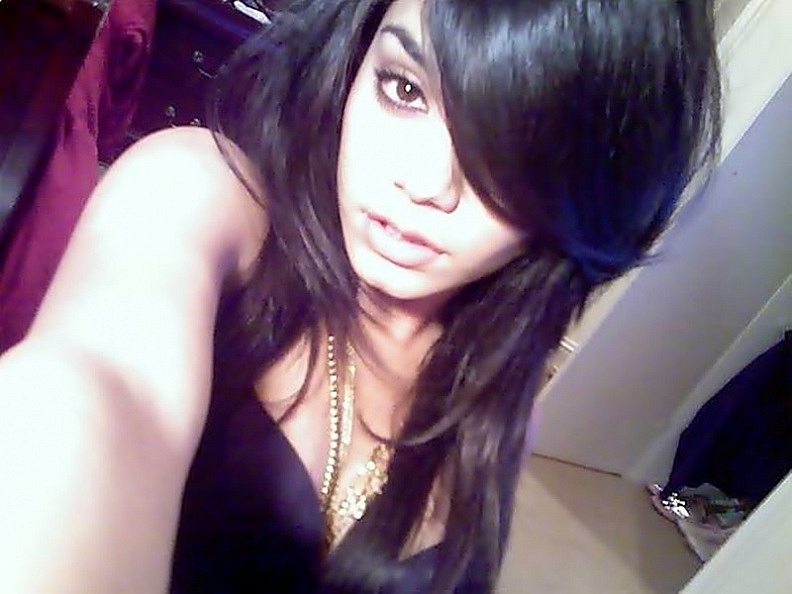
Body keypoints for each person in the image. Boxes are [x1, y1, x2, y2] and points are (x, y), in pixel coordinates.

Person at [0, 0, 721, 592]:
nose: (425, 183)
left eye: (515, 142)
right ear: (357, 55)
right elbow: (90, 395)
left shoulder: (505, 396)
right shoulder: (198, 195)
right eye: (405, 89)